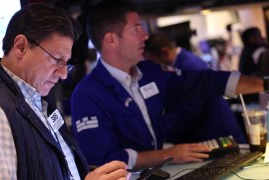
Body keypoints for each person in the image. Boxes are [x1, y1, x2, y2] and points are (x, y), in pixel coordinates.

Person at [71, 0, 265, 170]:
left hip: (161, 172)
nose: (145, 36)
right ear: (111, 39)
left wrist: (263, 84)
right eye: (137, 28)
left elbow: (200, 83)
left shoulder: (150, 72)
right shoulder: (87, 95)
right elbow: (102, 159)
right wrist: (168, 154)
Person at [0, 3, 129, 180]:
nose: (64, 74)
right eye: (57, 60)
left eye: (66, 63)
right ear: (21, 46)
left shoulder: (38, 101)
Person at [144, 32, 246, 144]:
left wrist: (162, 131)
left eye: (152, 62)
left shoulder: (189, 66)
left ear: (164, 53)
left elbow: (188, 109)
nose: (152, 67)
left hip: (218, 134)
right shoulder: (184, 61)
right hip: (213, 132)